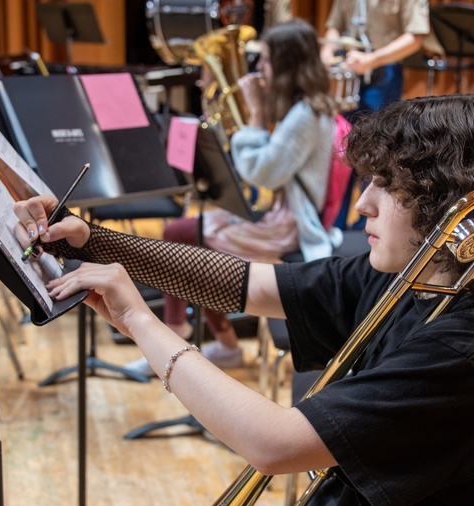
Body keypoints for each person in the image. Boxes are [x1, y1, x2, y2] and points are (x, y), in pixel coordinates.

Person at [13, 94, 474, 506]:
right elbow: (246, 284)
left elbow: (274, 444)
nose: (362, 206)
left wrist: (137, 320)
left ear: (450, 204)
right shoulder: (419, 278)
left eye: (386, 185)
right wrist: (93, 240)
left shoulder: (466, 347)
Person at [130, 19, 341, 374]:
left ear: (287, 64)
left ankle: (190, 335)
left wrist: (255, 113)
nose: (259, 69)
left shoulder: (307, 114)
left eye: (267, 60)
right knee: (182, 235)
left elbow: (263, 172)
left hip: (289, 225)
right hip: (277, 213)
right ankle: (203, 337)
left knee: (191, 242)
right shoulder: (300, 107)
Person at [320, 0, 431, 230]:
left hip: (383, 69)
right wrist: (327, 52)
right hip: (347, 67)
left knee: (377, 150)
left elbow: (415, 37)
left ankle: (368, 226)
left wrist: (374, 59)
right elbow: (334, 27)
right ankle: (334, 224)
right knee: (340, 145)